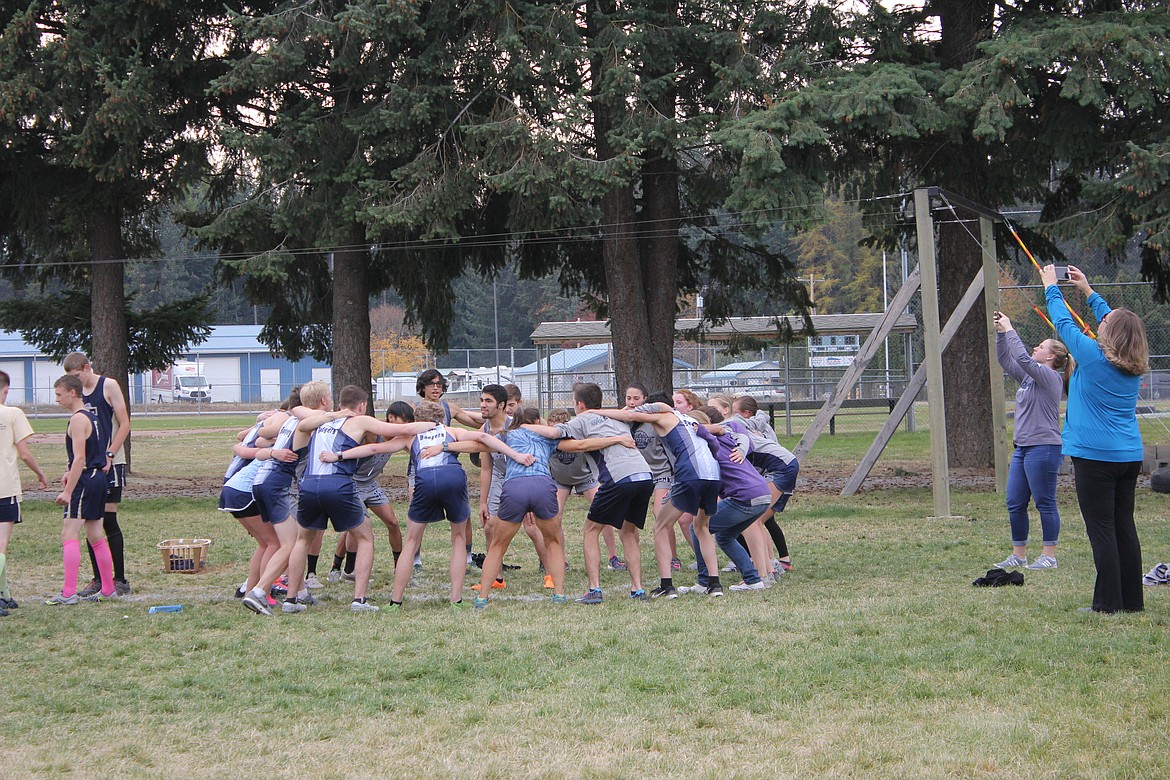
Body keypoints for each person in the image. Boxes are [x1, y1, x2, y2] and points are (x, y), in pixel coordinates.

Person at [325, 400, 534, 609]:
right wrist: (515, 454)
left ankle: (395, 600)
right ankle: (456, 599)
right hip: (453, 478)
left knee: (412, 542)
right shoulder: (451, 430)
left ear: (417, 420)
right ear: (441, 418)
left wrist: (339, 455)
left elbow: (373, 448)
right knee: (459, 538)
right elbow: (482, 437)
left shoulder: (410, 437)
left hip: (424, 481)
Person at [1043, 263, 1148, 614]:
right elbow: (1117, 323)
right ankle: (1131, 602)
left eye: (1106, 320)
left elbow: (1062, 325)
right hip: (1128, 457)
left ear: (1109, 334)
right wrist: (1087, 291)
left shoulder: (1092, 357)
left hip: (1096, 458)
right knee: (1123, 527)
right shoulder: (1130, 363)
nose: (1102, 318)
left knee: (1102, 530)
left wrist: (1051, 288)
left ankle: (1106, 604)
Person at [282, 386, 440, 614]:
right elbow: (402, 428)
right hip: (338, 483)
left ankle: (291, 600)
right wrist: (434, 425)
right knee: (365, 537)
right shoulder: (359, 421)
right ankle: (359, 599)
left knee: (302, 540)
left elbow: (296, 410)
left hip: (308, 483)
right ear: (362, 405)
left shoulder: (318, 419)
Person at [579, 391, 720, 599]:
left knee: (661, 526)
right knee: (702, 527)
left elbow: (629, 416)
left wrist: (594, 411)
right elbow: (715, 429)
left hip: (692, 473)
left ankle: (666, 585)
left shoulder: (664, 416)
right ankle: (714, 584)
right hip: (714, 474)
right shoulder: (689, 419)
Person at [522, 383, 654, 602]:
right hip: (644, 475)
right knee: (628, 532)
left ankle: (594, 589)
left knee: (591, 531)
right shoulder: (618, 416)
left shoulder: (582, 419)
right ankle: (637, 589)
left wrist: (521, 427)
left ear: (579, 404)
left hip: (618, 476)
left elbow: (553, 432)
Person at [240, 382, 330, 616]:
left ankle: (297, 594)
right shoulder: (306, 420)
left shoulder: (290, 418)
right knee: (290, 545)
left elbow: (260, 439)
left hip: (264, 480)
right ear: (323, 401)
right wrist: (342, 414)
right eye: (329, 398)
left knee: (293, 540)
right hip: (278, 484)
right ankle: (259, 591)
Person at [993, 311, 1070, 571]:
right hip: (1023, 448)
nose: (1036, 348)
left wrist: (1011, 326)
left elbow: (1024, 358)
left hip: (1044, 448)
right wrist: (1001, 334)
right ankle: (1019, 554)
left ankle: (1049, 556)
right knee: (1015, 501)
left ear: (1050, 357)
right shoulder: (1029, 377)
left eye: (1041, 346)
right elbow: (1006, 359)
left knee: (1045, 501)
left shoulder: (1050, 377)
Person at [63, 352, 132, 597]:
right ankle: (98, 579)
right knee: (91, 520)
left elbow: (124, 423)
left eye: (77, 376)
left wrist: (110, 454)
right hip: (89, 466)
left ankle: (120, 578)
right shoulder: (76, 398)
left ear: (86, 367)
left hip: (110, 463)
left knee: (108, 520)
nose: (74, 382)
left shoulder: (108, 385)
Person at [45, 375, 115, 605]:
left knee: (68, 534)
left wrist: (68, 491)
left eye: (59, 394)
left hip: (86, 480)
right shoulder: (93, 416)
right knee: (95, 534)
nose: (57, 399)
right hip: (98, 479)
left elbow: (80, 459)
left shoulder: (77, 419)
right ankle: (108, 588)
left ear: (72, 392)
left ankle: (68, 593)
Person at [0, 370, 49, 615]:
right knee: (1, 545)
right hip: (5, 488)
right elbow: (24, 453)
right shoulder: (12, 414)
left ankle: (5, 594)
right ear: (6, 390)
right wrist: (40, 474)